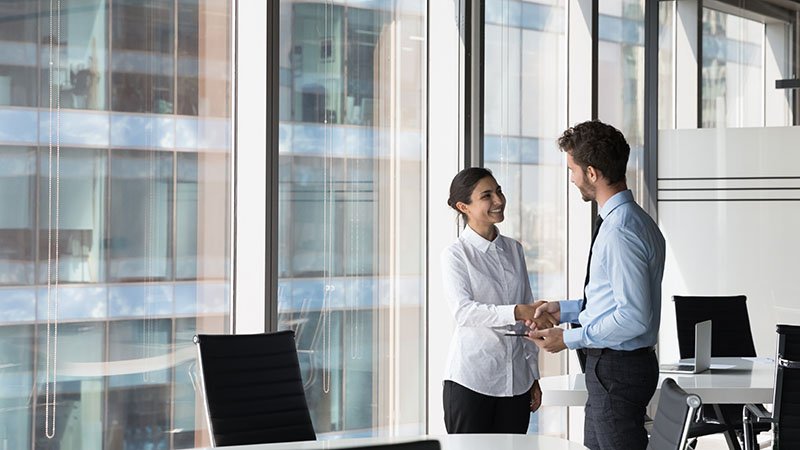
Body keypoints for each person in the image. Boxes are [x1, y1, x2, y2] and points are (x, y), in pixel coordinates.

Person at [526, 121, 666, 450]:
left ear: (591, 173)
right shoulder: (634, 220)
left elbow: (634, 317)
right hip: (614, 369)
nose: (572, 179)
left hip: (617, 369)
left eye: (572, 170)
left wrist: (569, 338)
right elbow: (615, 299)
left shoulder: (620, 230)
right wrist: (567, 309)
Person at [441, 167, 557, 434]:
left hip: (516, 384)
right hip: (471, 382)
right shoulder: (456, 255)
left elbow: (528, 320)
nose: (499, 200)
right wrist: (517, 311)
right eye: (487, 195)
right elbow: (465, 312)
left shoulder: (514, 249)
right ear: (464, 206)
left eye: (499, 191)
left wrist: (532, 378)